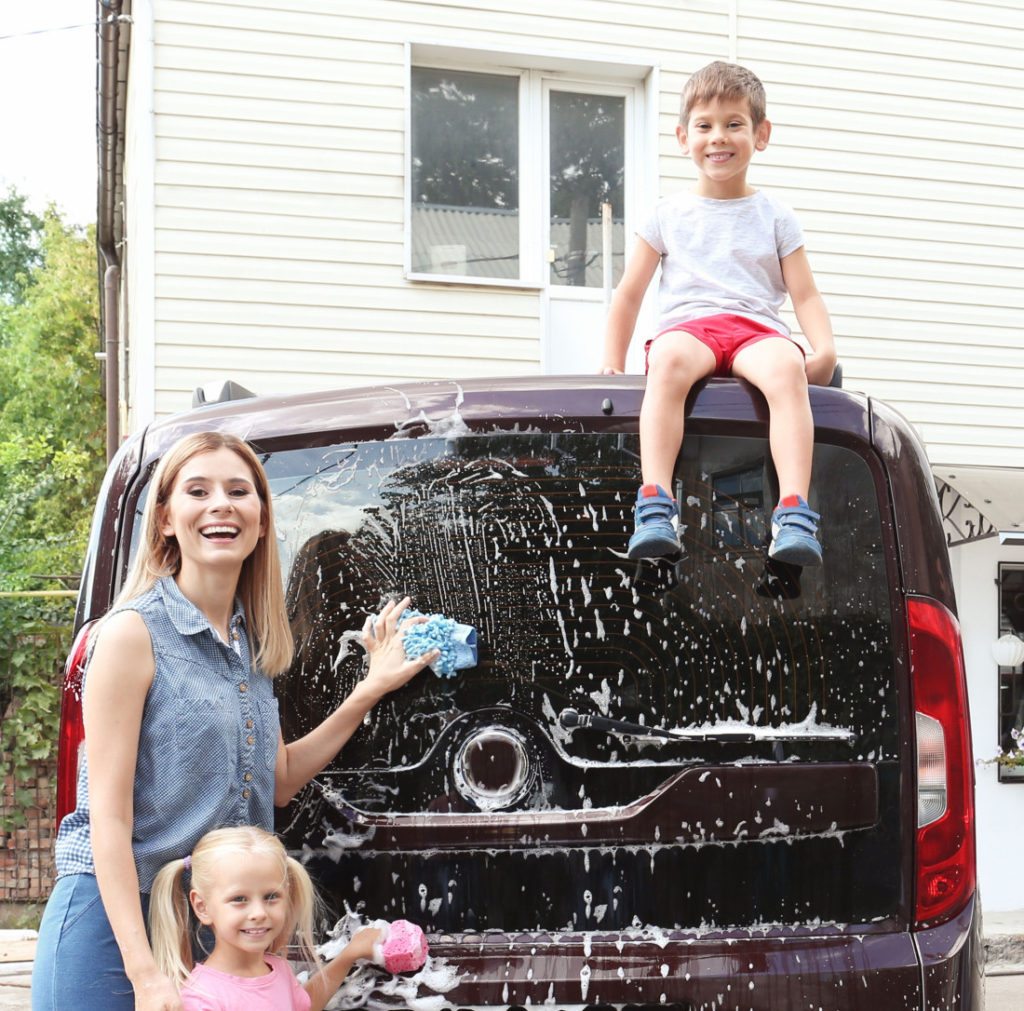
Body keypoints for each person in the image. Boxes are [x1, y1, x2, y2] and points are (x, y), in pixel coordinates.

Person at [32, 431, 440, 1011]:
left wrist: (369, 688)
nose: (221, 503)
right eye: (198, 490)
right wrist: (144, 973)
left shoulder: (253, 644)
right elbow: (109, 822)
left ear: (261, 519)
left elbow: (280, 779)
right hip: (114, 917)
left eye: (238, 490)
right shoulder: (131, 635)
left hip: (210, 921)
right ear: (167, 519)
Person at [602, 61, 836, 565]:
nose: (719, 137)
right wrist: (611, 362)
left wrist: (824, 348)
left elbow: (806, 296)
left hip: (757, 331)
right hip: (690, 328)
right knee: (666, 364)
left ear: (762, 134)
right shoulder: (667, 214)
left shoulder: (775, 216)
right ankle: (656, 505)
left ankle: (794, 512)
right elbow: (629, 294)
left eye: (734, 123)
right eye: (705, 126)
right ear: (684, 136)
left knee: (786, 369)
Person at [148, 826, 380, 1011]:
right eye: (239, 899)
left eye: (271, 896)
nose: (259, 913)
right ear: (202, 907)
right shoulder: (200, 998)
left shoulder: (277, 969)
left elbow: (305, 1005)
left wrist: (349, 955)